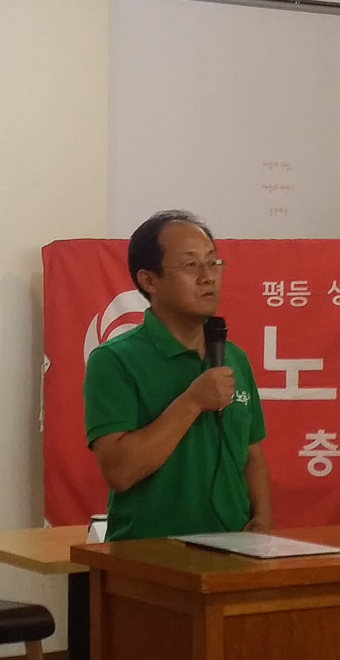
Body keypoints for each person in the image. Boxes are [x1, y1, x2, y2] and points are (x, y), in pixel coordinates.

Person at [83, 210, 271, 541]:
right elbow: (120, 471)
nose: (207, 277)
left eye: (213, 262)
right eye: (190, 265)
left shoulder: (233, 358)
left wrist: (263, 518)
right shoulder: (114, 360)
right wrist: (193, 402)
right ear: (149, 281)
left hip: (237, 552)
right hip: (149, 555)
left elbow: (251, 453)